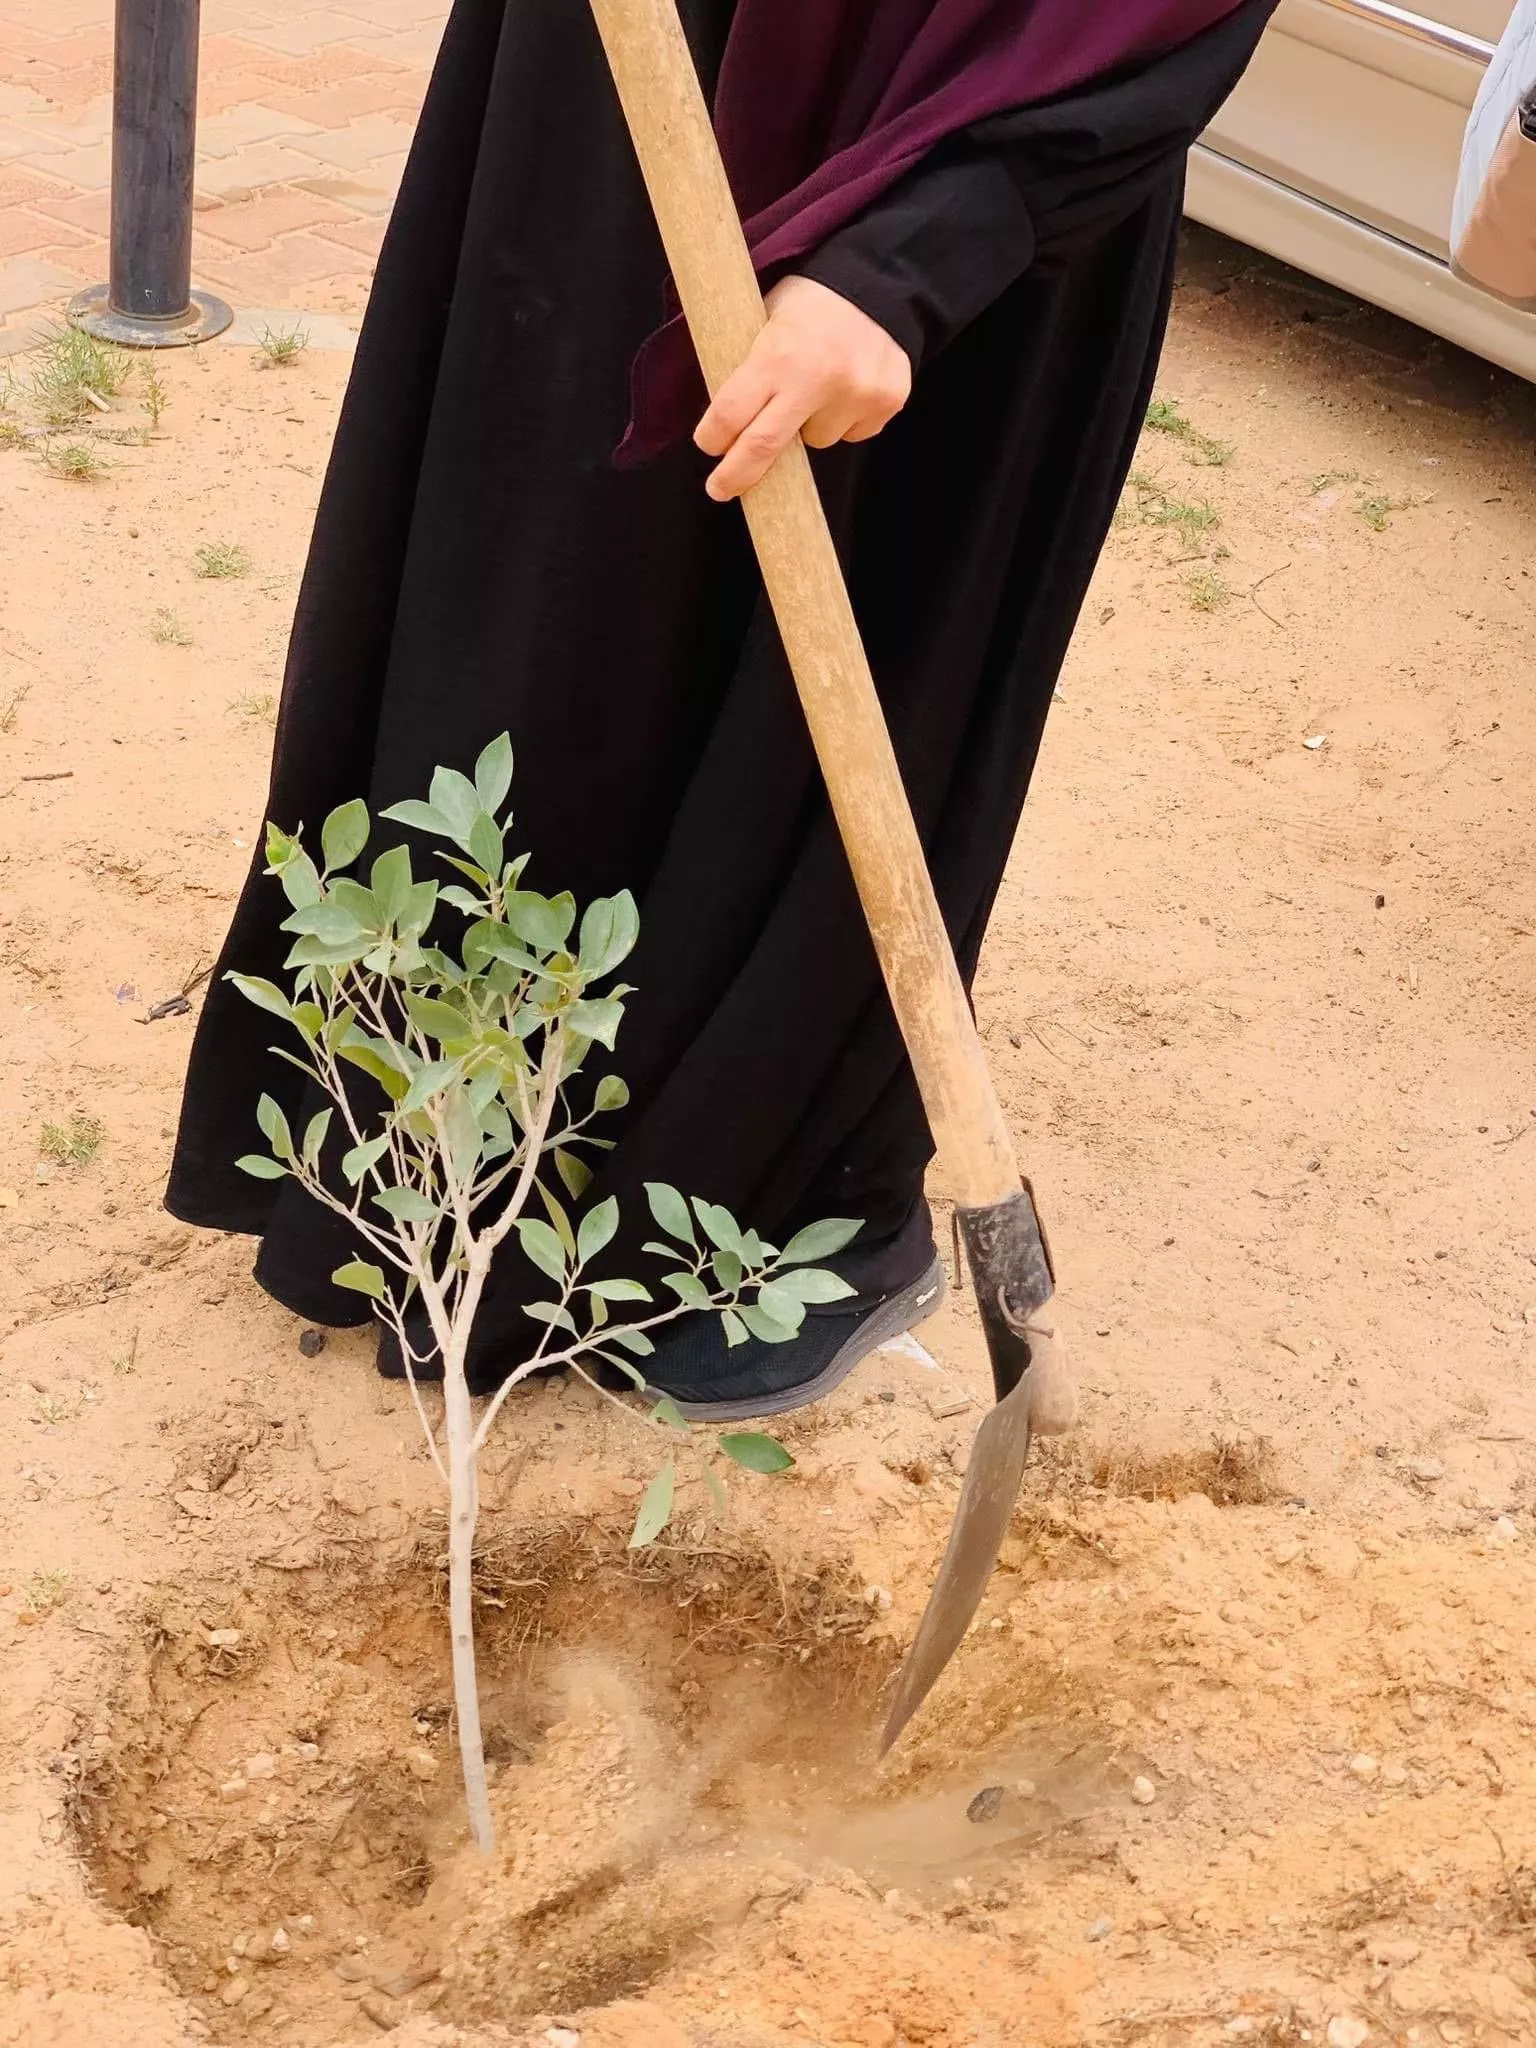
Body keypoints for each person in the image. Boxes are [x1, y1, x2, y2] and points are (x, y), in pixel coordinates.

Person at [166, 0, 1277, 1414]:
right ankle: (434, 1192)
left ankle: (750, 1213)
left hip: (925, 108)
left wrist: (933, 236)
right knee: (535, 603)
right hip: (618, 84)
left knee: (811, 709)